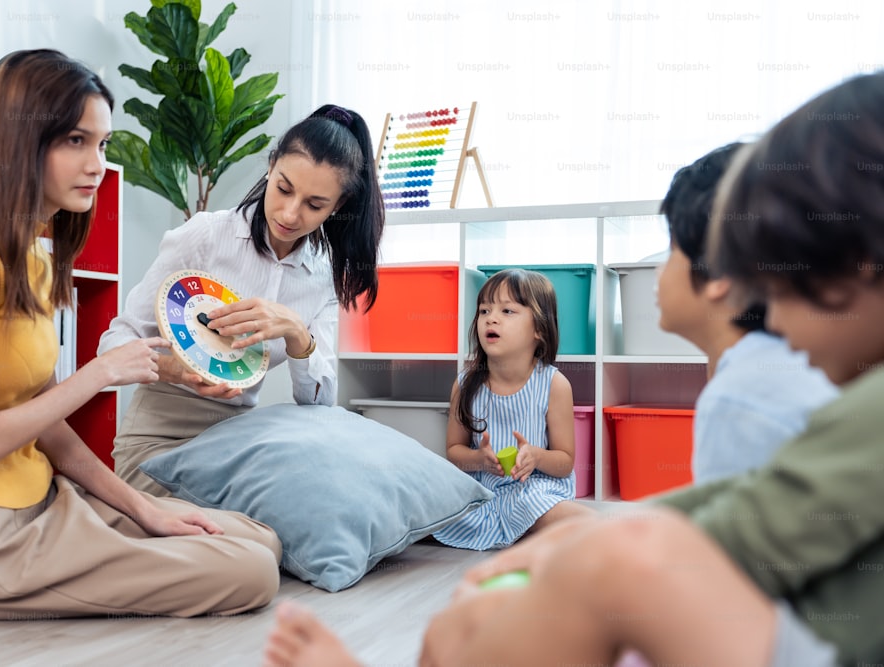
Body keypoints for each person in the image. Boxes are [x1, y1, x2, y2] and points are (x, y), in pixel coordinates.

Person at [262, 71, 884, 667]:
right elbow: (754, 511)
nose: (771, 303)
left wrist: (596, 553)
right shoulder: (470, 382)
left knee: (594, 567)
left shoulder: (752, 390)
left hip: (774, 625)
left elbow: (743, 540)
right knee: (576, 564)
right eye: (484, 309)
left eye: (789, 271)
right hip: (504, 501)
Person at [0, 49, 281, 620]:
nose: (96, 163)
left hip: (37, 498)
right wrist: (100, 373)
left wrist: (146, 511)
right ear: (22, 141)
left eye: (101, 144)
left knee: (257, 539)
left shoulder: (30, 255)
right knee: (251, 571)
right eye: (76, 140)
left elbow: (49, 426)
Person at [98, 104, 385, 496]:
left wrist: (296, 332)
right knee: (217, 545)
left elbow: (318, 402)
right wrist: (176, 371)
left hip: (237, 442)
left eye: (315, 205)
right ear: (271, 166)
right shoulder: (206, 236)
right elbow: (115, 340)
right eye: (283, 188)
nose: (289, 212)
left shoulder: (320, 277)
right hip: (159, 434)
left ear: (338, 208)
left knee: (274, 535)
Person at [657, 142, 838, 483]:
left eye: (671, 251)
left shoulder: (738, 399)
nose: (658, 274)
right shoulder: (796, 366)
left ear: (717, 273)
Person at [431, 268, 582, 550]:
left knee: (568, 518)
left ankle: (621, 540)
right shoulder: (465, 383)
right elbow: (453, 452)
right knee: (424, 509)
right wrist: (479, 460)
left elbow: (564, 463)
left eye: (507, 311)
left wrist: (536, 457)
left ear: (539, 328)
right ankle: (517, 532)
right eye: (484, 310)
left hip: (532, 490)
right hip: (479, 491)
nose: (492, 318)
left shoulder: (554, 385)